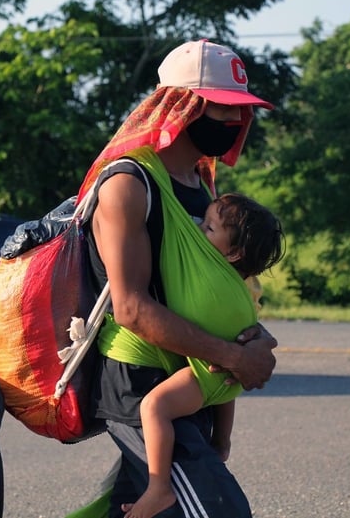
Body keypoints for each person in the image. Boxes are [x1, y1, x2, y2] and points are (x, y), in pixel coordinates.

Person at [73, 39, 279, 518]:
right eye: (223, 110)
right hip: (142, 381)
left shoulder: (201, 186)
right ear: (181, 104)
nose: (234, 123)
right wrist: (234, 357)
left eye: (240, 112)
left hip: (190, 373)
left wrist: (252, 340)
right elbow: (131, 307)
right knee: (218, 509)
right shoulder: (130, 184)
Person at [124, 193, 285, 518]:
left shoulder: (211, 283)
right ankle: (222, 442)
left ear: (234, 253)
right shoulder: (246, 284)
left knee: (154, 408)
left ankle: (159, 489)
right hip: (228, 376)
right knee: (224, 391)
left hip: (211, 371)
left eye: (209, 228)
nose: (197, 228)